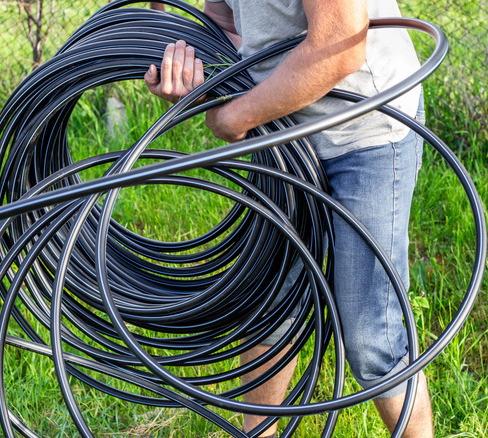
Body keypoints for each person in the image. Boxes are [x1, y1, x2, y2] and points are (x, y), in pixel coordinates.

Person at [144, 1, 433, 436]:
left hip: (366, 128)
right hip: (282, 133)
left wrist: (235, 117)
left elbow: (340, 45)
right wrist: (189, 69)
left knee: (374, 342)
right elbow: (226, 25)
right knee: (269, 303)